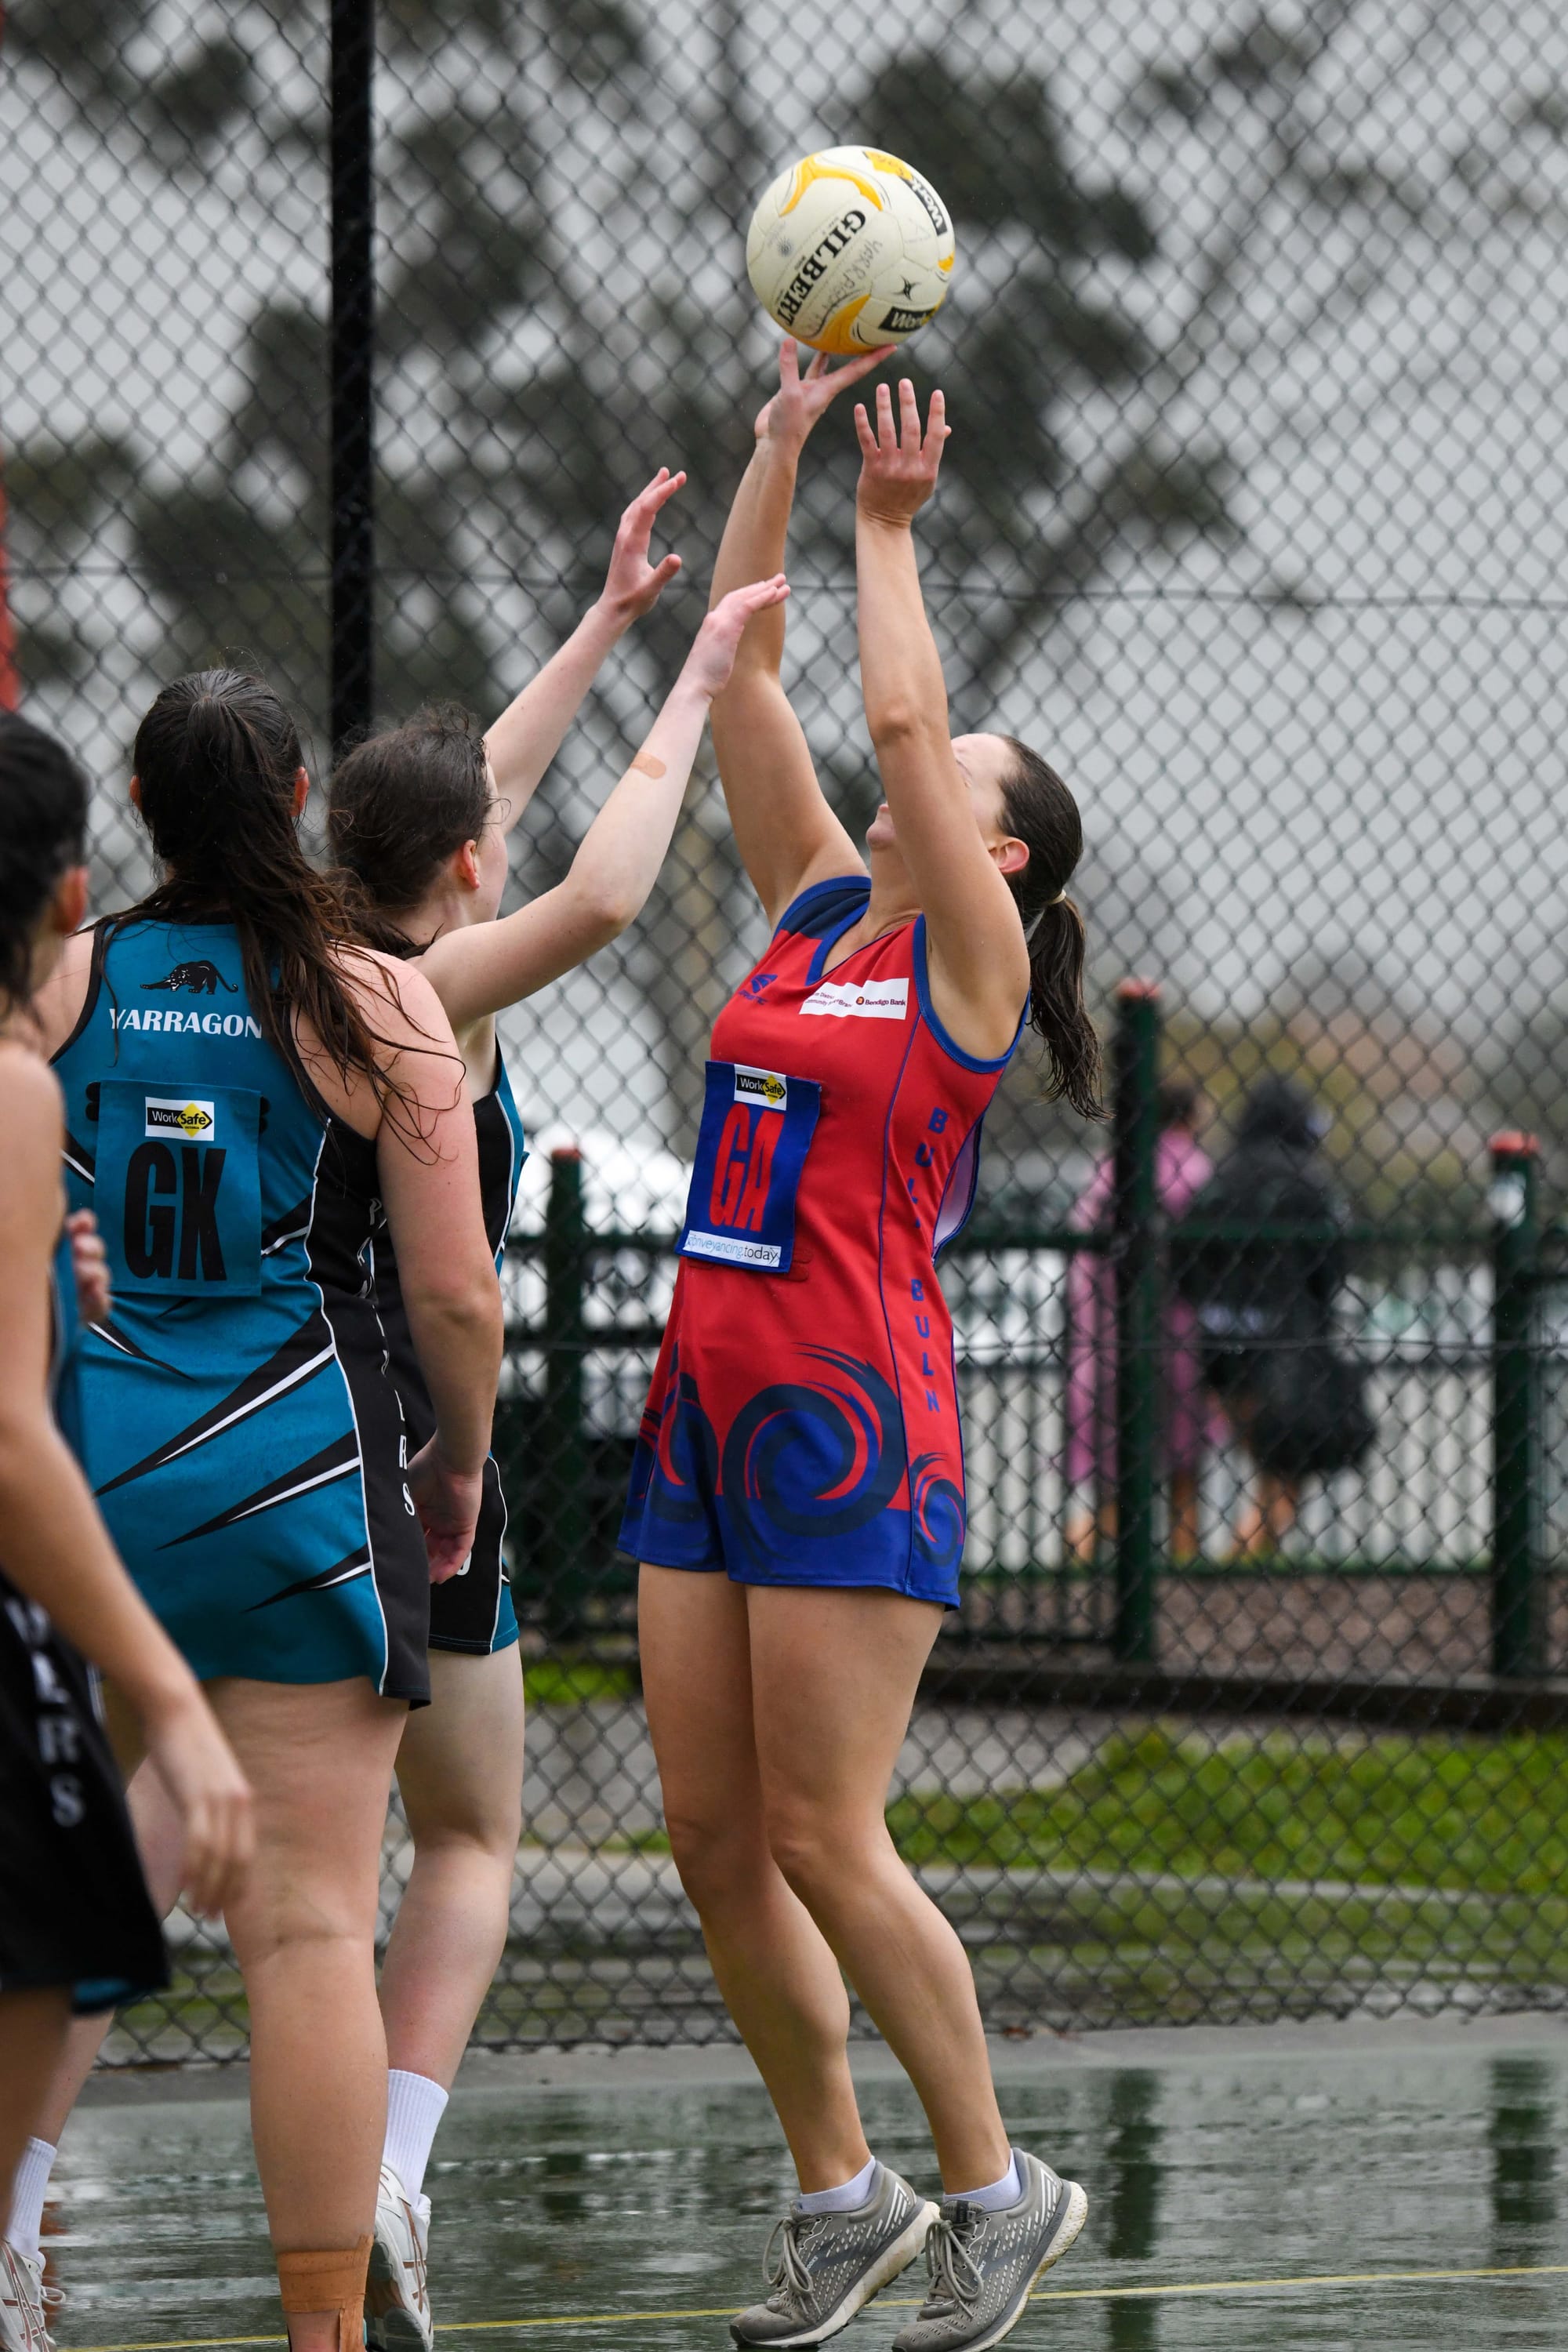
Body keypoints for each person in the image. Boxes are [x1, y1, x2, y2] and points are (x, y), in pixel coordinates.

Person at [623, 343, 1094, 2352]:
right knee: (716, 1839)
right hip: (701, 1404)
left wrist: (887, 532)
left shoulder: (962, 970)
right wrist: (779, 457)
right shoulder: (819, 907)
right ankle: (844, 2194)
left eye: (952, 777)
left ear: (994, 854)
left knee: (827, 1829)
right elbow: (747, 678)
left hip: (850, 1415)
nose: (918, 766)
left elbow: (895, 707)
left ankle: (996, 2186)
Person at [322, 472, 789, 2350]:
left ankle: (28, 2211)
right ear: (457, 874)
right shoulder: (428, 987)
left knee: (191, 1841)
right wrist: (686, 675)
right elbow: (599, 887)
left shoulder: (276, 947)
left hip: (204, 1448)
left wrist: (597, 626)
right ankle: (383, 2173)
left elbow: (467, 803)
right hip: (395, 1452)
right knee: (462, 1840)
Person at [29, 673, 503, 2352]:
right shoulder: (374, 996)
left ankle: (12, 2230)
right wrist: (455, 1468)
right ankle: (320, 2335)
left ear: (140, 810)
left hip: (94, 1494)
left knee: (65, 1886)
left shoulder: (71, 981)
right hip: (302, 1481)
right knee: (308, 1927)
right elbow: (451, 1299)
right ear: (301, 793)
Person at [0, 710, 253, 2352]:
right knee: (51, 1934)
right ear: (69, 898)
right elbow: (7, 1442)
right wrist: (166, 1693)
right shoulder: (17, 1089)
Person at [1171, 1075, 1369, 1559]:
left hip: (1221, 1345)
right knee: (1284, 1472)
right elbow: (1331, 1267)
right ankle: (1242, 1562)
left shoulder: (1221, 1175)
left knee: (1259, 1454)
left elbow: (1183, 1267)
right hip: (1286, 1342)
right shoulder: (1308, 1181)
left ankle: (1234, 1564)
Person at [1063, 1079, 1216, 1564]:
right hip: (1179, 1339)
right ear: (1187, 1117)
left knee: (1119, 1470)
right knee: (1184, 1465)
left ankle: (1082, 1547)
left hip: (1108, 1338)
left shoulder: (1111, 1171)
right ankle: (1184, 1558)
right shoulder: (1195, 1170)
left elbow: (1083, 1260)